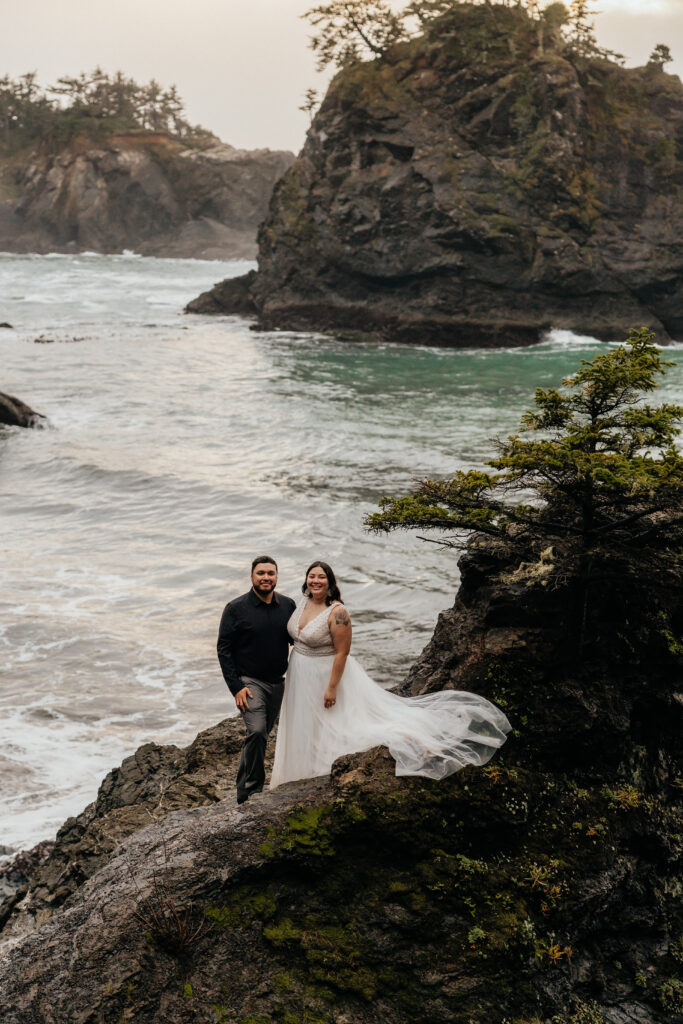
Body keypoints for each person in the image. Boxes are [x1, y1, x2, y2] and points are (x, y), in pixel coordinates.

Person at [270, 560, 511, 789]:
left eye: (321, 577)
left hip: (325, 673)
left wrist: (332, 686)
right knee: (305, 719)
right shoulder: (301, 602)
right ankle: (302, 763)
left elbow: (343, 652)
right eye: (312, 576)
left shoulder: (338, 613)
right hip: (299, 672)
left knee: (333, 720)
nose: (315, 581)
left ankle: (318, 767)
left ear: (330, 582)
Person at [217, 556, 296, 804]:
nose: (266, 577)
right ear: (252, 576)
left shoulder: (288, 605)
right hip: (250, 683)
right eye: (261, 573)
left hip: (278, 683)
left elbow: (300, 638)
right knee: (258, 731)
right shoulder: (235, 608)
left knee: (259, 738)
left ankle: (244, 788)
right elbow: (224, 649)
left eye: (271, 573)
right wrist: (236, 688)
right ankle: (252, 791)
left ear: (276, 576)